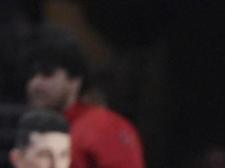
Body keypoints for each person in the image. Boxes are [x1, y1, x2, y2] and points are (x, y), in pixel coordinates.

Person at [25, 32, 145, 168]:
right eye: (32, 75)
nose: (35, 83)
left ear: (74, 80)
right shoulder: (38, 132)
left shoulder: (104, 128)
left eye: (47, 74)